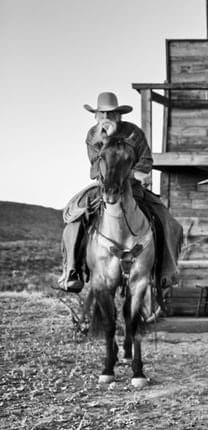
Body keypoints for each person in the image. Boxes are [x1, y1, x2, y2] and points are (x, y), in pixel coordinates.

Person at [57, 92, 184, 297]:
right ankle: (72, 271)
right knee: (75, 217)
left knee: (165, 218)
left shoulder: (133, 133)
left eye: (111, 113)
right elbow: (95, 165)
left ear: (119, 114)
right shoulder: (93, 135)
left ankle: (166, 270)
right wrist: (104, 139)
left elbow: (145, 161)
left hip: (132, 186)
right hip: (104, 185)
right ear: (96, 115)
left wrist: (134, 174)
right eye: (102, 113)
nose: (106, 116)